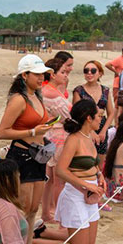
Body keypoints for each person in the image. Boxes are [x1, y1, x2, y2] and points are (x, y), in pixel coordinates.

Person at [0, 55, 54, 243]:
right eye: (36, 74)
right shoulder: (19, 100)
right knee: (22, 208)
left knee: (33, 209)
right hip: (22, 155)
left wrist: (41, 131)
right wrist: (32, 131)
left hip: (38, 155)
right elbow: (2, 132)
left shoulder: (36, 95)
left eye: (42, 74)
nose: (41, 78)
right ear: (24, 75)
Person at [53, 100, 105, 244]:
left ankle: (43, 232)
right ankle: (35, 242)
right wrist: (87, 185)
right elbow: (60, 170)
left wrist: (99, 174)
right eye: (98, 116)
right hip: (76, 193)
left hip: (91, 192)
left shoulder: (88, 136)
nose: (100, 119)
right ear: (89, 118)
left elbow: (92, 163)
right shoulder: (73, 140)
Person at [39, 57, 72, 224]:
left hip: (49, 136)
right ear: (52, 75)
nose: (66, 75)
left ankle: (46, 213)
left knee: (49, 179)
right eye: (63, 72)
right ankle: (59, 217)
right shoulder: (52, 93)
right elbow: (69, 115)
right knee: (58, 179)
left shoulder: (47, 90)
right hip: (58, 136)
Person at [72, 60, 115, 161]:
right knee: (86, 159)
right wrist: (91, 132)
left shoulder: (105, 90)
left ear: (100, 73)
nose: (89, 73)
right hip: (84, 128)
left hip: (101, 126)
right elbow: (76, 114)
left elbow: (111, 112)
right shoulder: (79, 91)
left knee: (100, 159)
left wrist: (104, 131)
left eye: (93, 70)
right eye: (86, 71)